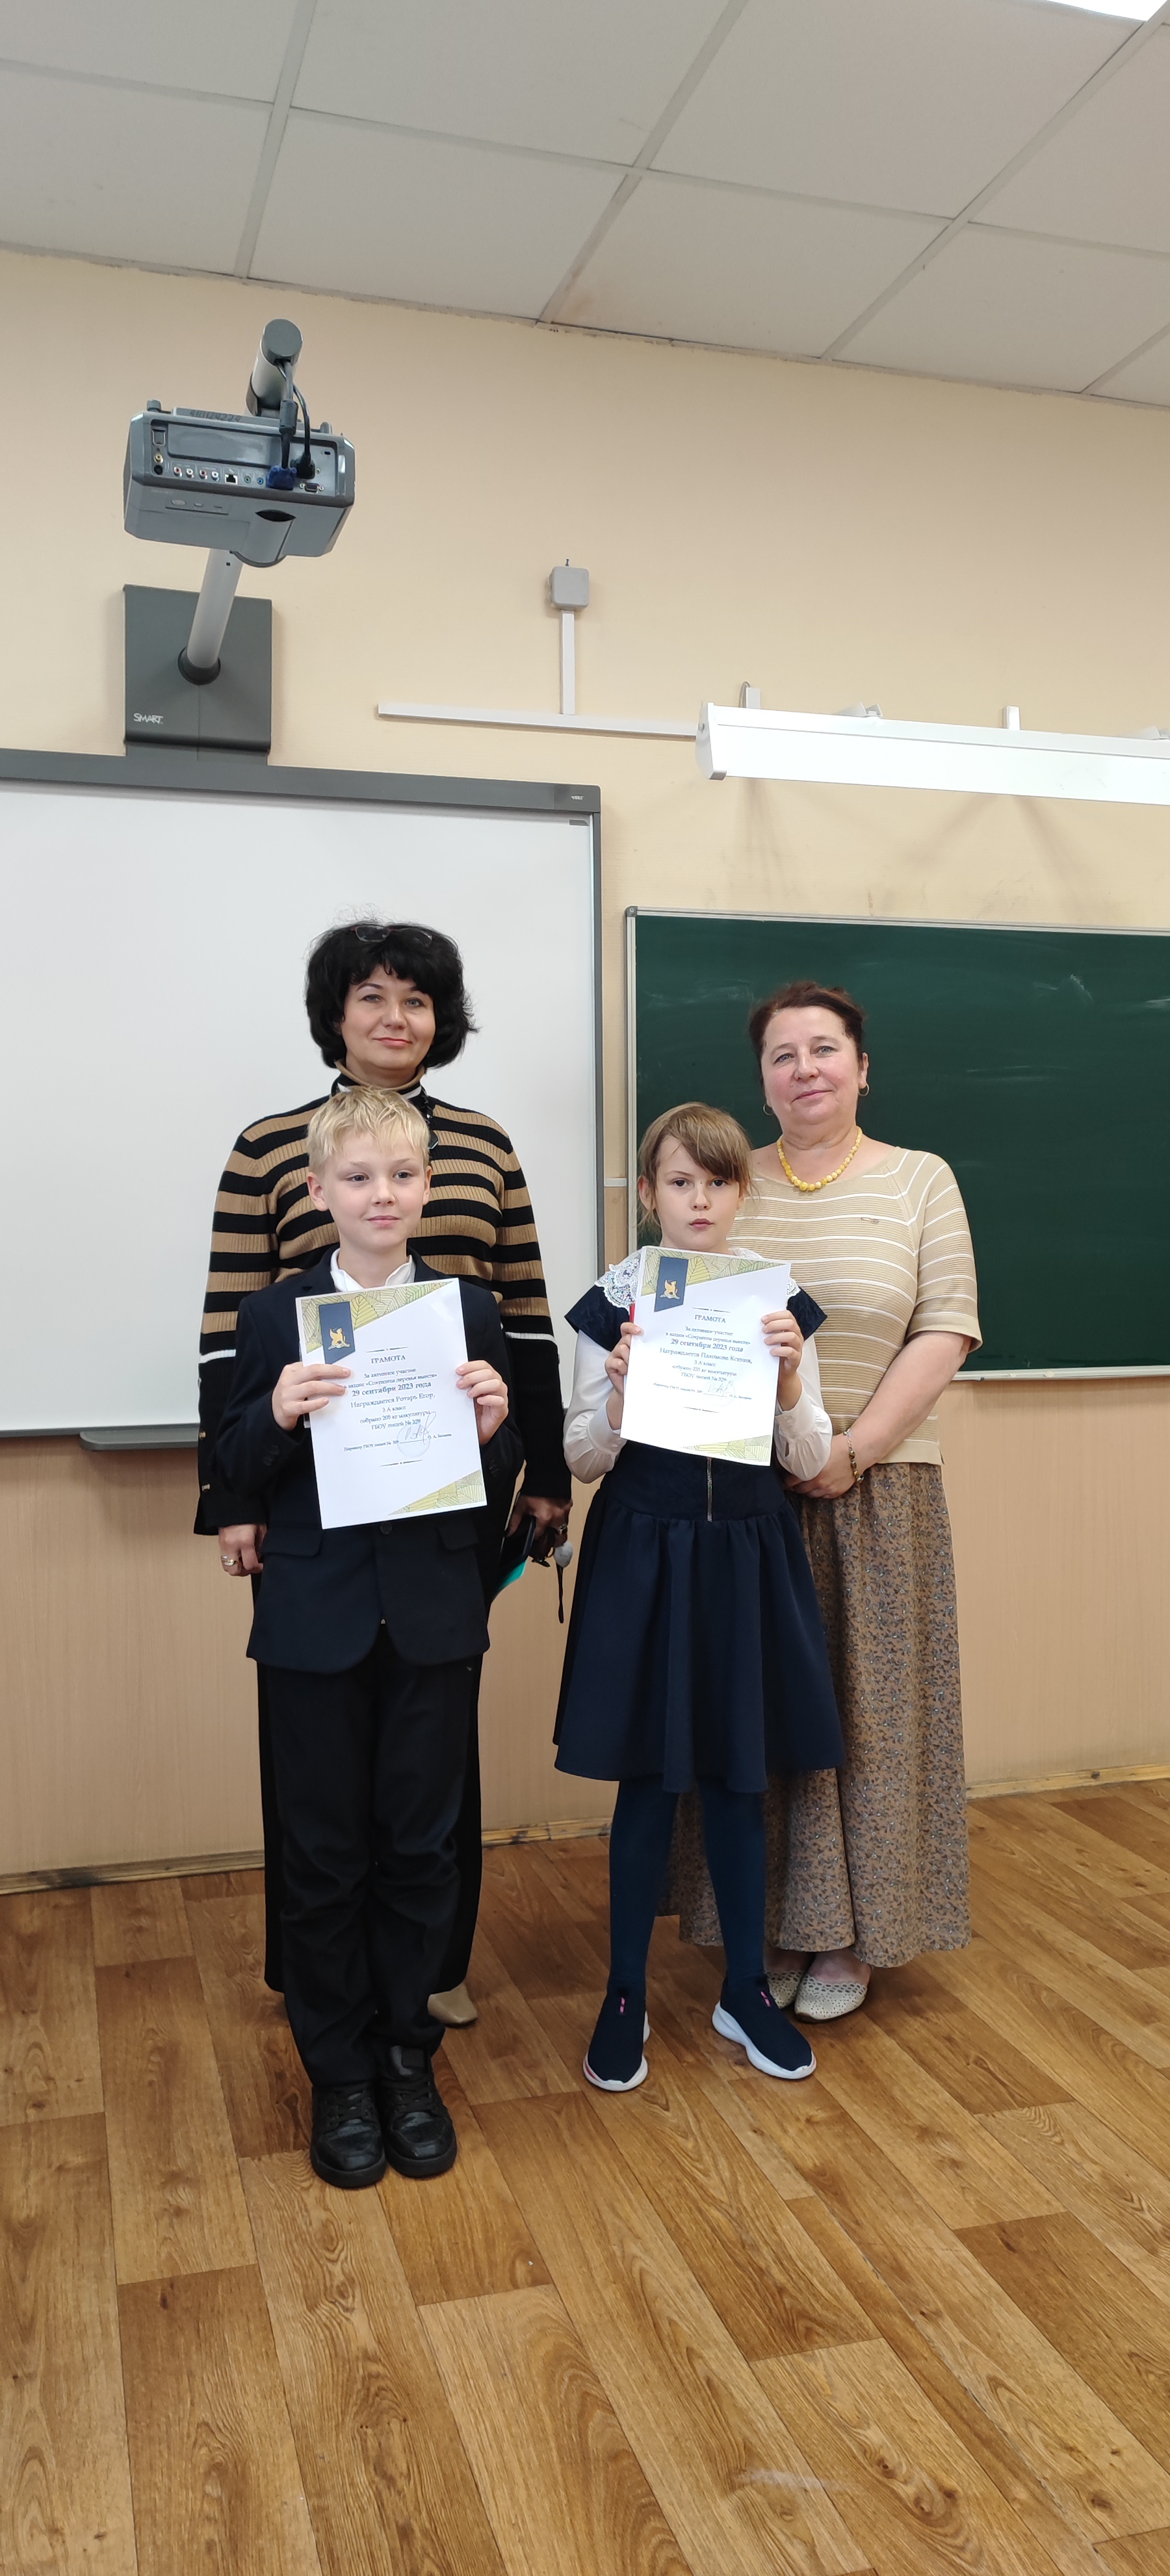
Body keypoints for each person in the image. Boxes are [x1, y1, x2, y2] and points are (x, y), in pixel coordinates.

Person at [197, 920, 571, 2018]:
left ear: (441, 1019)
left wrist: (544, 1470)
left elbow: (526, 1318)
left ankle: (430, 1975)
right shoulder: (270, 1145)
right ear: (337, 1015)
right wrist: (231, 1497)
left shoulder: (483, 1145)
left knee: (430, 1754)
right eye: (372, 996)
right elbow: (228, 1335)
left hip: (450, 1491)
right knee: (315, 1763)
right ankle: (318, 1981)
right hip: (312, 1499)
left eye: (417, 999)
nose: (395, 1017)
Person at [216, 1085, 521, 2188]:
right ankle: (339, 2072)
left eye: (400, 1176)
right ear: (318, 1192)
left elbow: (492, 1480)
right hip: (315, 1620)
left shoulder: (467, 1310)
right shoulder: (274, 1319)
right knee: (323, 1851)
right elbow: (231, 1463)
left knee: (420, 1846)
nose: (380, 1195)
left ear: (427, 1188)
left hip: (433, 1616)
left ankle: (405, 2056)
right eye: (357, 1177)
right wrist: (275, 1412)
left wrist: (495, 1426)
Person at [666, 981, 980, 2021]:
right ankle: (765, 1926)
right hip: (739, 1496)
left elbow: (947, 1326)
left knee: (868, 1713)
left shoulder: (921, 1179)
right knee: (755, 1715)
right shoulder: (723, 1180)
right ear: (761, 1080)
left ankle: (852, 1935)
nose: (805, 1069)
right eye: (782, 1055)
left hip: (879, 1492)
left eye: (825, 1049)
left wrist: (855, 1450)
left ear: (862, 1067)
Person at [554, 1101, 844, 2093]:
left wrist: (791, 1381)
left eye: (718, 1182)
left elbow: (809, 1452)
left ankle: (747, 1989)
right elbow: (582, 1456)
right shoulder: (614, 1302)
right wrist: (621, 1391)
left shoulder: (777, 1301)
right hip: (646, 1554)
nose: (701, 1200)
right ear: (649, 1194)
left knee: (737, 1778)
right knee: (646, 1781)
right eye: (681, 1182)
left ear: (741, 1191)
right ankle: (623, 1994)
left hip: (747, 1555)